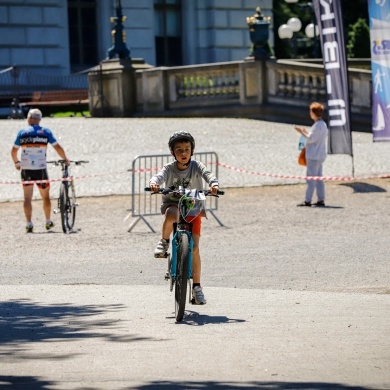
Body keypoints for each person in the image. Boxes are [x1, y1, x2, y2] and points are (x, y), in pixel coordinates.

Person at [149, 131, 219, 305]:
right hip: (172, 203)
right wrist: (154, 183)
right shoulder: (169, 168)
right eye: (179, 149)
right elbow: (159, 176)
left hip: (193, 208)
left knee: (194, 248)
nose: (183, 153)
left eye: (186, 149)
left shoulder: (197, 166)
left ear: (192, 151)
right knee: (171, 214)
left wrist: (214, 184)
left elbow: (208, 174)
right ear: (173, 152)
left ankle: (196, 287)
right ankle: (164, 242)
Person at [11, 108, 70, 233]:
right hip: (41, 169)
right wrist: (65, 158)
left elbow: (13, 151)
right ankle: (48, 221)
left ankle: (29, 223)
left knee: (27, 198)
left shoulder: (22, 132)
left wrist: (17, 163)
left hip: (26, 169)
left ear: (30, 118)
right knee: (45, 197)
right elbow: (57, 147)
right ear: (39, 119)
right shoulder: (45, 132)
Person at [294, 102, 328, 207]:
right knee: (319, 178)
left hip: (313, 155)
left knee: (311, 179)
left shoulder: (317, 125)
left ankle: (307, 200)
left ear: (314, 113)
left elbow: (311, 138)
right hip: (320, 154)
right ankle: (321, 199)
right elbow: (314, 137)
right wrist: (306, 132)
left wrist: (301, 132)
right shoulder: (323, 124)